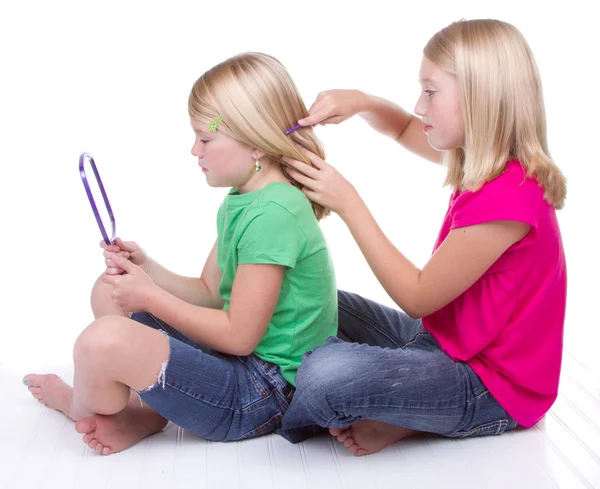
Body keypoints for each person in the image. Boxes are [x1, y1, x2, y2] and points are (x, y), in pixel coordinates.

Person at [23, 52, 337, 455]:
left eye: (205, 139)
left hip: (266, 394)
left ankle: (75, 403)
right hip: (241, 364)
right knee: (108, 291)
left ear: (256, 144)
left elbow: (240, 337)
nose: (194, 150)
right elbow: (210, 291)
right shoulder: (244, 199)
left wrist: (150, 298)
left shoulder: (274, 213)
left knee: (99, 342)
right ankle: (148, 411)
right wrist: (148, 270)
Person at [280, 19, 567, 457]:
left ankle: (392, 412)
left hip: (491, 386)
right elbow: (401, 129)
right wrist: (361, 102)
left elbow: (417, 297)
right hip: (444, 343)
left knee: (325, 376)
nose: (418, 105)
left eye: (431, 91)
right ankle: (401, 405)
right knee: (311, 297)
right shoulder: (485, 160)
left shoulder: (511, 197)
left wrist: (348, 202)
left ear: (480, 97)